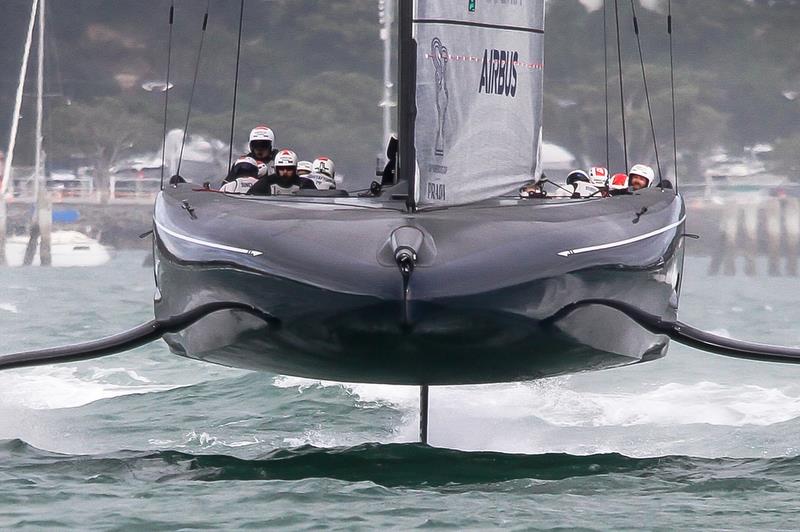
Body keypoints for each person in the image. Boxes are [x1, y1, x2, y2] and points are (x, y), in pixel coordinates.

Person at [247, 149, 313, 195]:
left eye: (289, 168)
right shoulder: (264, 184)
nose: (285, 172)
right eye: (281, 168)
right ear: (276, 169)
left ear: (295, 169)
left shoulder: (306, 184)